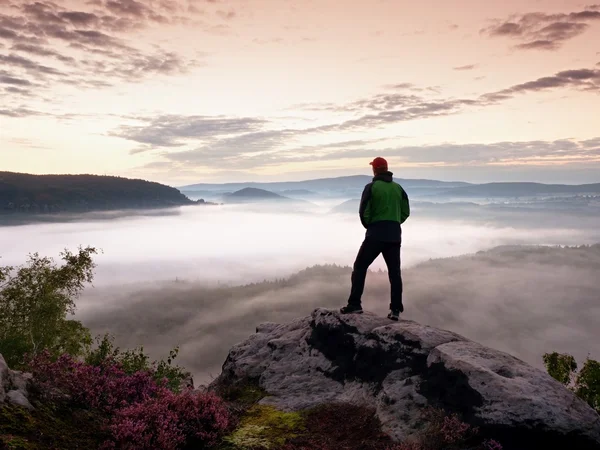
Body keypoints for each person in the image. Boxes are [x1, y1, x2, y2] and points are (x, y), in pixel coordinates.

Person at [340, 157, 410, 320]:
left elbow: (363, 211)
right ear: (386, 169)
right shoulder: (398, 188)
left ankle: (355, 304)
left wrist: (371, 226)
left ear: (375, 169)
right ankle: (395, 311)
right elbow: (406, 211)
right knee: (395, 273)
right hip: (394, 234)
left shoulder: (371, 187)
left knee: (360, 267)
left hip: (376, 234)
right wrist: (395, 222)